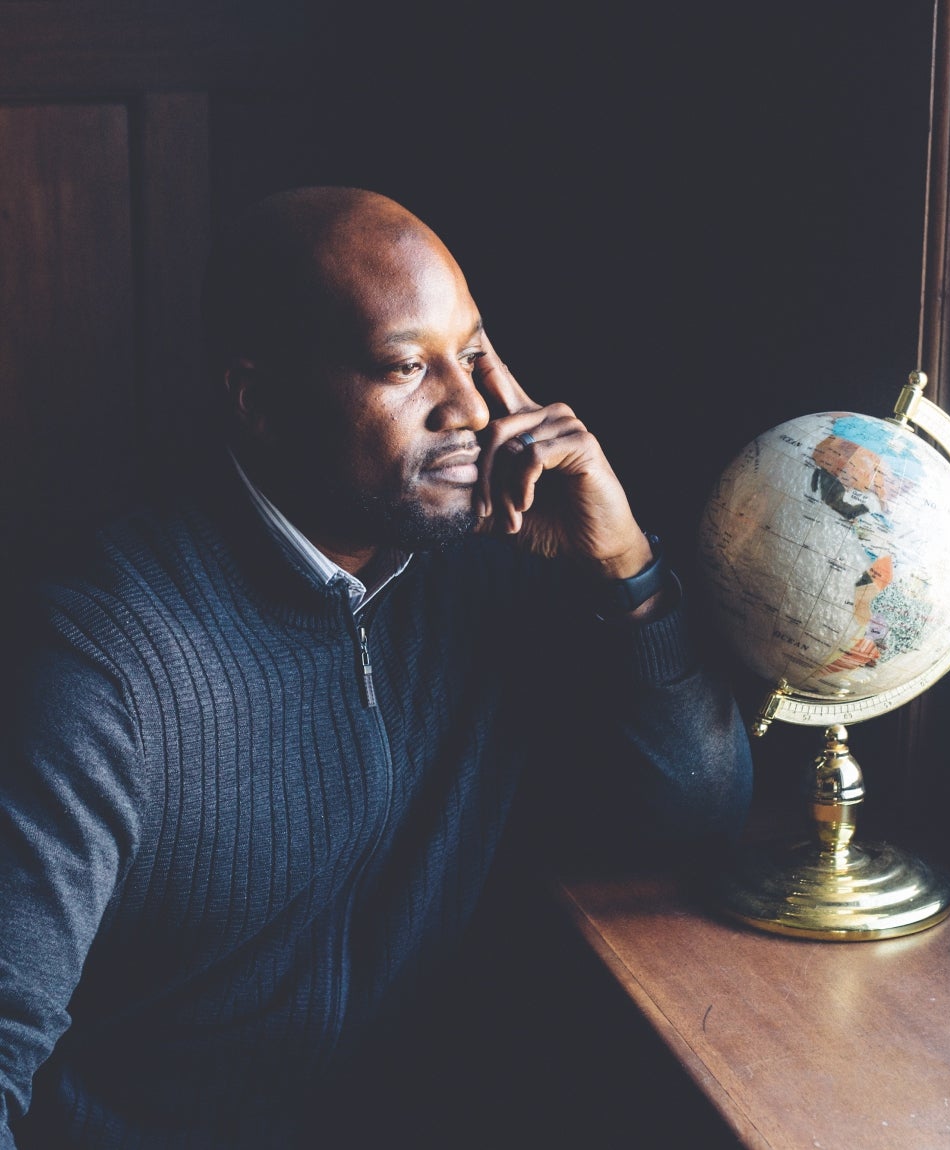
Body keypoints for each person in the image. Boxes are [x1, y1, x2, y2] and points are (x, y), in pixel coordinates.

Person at [0, 187, 753, 1148]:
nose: (475, 410)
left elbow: (697, 815)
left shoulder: (490, 562)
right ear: (258, 399)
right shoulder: (102, 660)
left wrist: (625, 571)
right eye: (407, 367)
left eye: (473, 354)